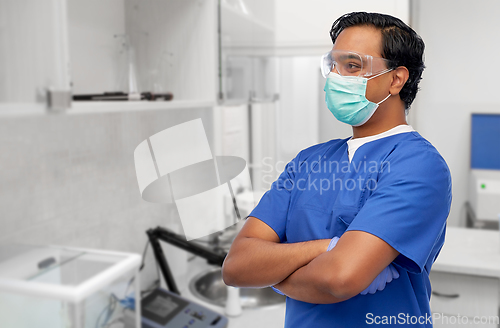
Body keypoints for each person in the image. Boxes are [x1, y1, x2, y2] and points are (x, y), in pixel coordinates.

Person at [222, 12, 452, 328]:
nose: (335, 76)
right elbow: (236, 267)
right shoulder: (308, 161)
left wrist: (276, 274)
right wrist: (329, 247)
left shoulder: (420, 166)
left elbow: (338, 278)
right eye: (333, 65)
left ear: (396, 79)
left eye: (352, 66)